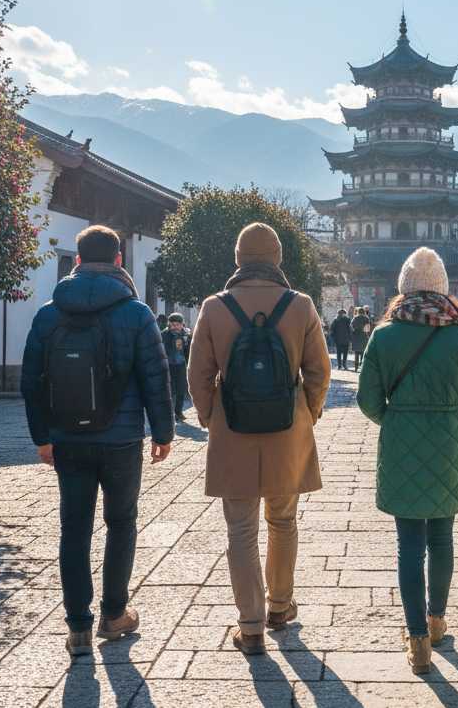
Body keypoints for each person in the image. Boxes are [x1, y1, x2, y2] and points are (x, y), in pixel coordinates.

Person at [21, 225, 174, 657]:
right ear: (120, 260)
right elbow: (155, 377)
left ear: (77, 260)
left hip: (67, 438)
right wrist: (162, 433)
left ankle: (77, 627)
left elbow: (31, 381)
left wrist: (41, 437)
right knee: (121, 523)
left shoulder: (50, 313)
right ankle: (114, 615)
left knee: (74, 529)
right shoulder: (137, 313)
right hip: (122, 439)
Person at [187, 222, 331, 655]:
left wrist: (214, 418)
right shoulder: (301, 305)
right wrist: (308, 413)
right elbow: (319, 372)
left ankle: (250, 626)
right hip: (288, 432)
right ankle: (280, 607)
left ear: (238, 258)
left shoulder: (214, 307)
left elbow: (198, 376)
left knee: (241, 529)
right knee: (283, 521)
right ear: (277, 259)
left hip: (234, 432)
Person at [357, 247, 458, 674]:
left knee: (408, 546)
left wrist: (396, 419)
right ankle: (437, 622)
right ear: (444, 290)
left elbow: (366, 400)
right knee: (442, 539)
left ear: (401, 288)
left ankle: (416, 639)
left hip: (401, 447)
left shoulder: (383, 335)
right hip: (452, 446)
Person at [161, 313, 191, 421]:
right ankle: (168, 413)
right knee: (170, 390)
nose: (174, 327)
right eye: (172, 325)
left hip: (181, 365)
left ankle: (178, 412)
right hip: (168, 365)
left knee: (181, 389)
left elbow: (189, 351)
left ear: (182, 324)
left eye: (177, 324)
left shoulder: (186, 335)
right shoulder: (164, 334)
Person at [351, 306, 370, 371]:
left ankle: (356, 368)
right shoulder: (366, 318)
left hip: (356, 336)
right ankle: (362, 367)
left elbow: (351, 327)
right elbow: (368, 328)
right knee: (362, 353)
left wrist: (354, 332)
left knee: (356, 353)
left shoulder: (355, 318)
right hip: (363, 336)